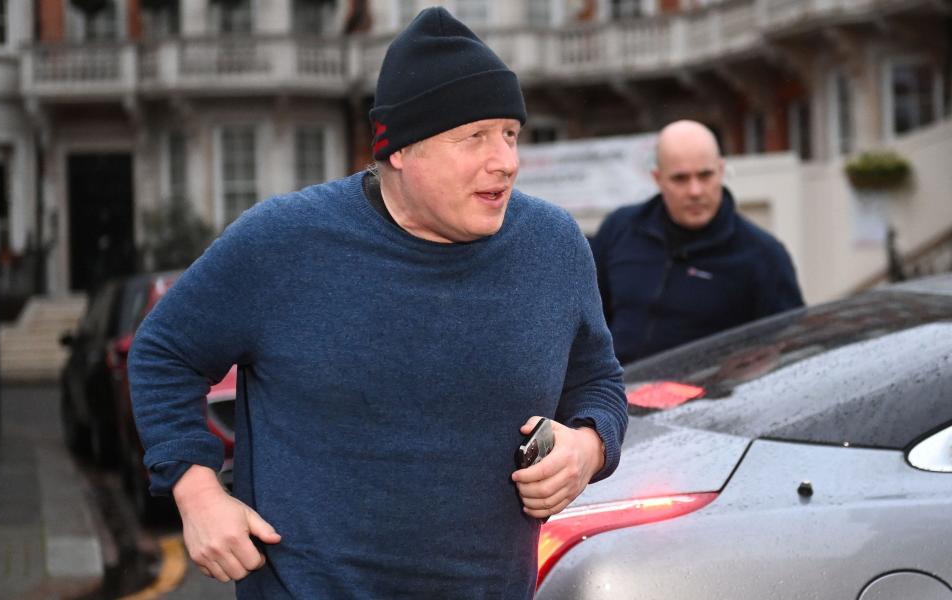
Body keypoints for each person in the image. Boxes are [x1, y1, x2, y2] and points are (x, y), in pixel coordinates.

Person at [128, 7, 628, 599]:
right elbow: (163, 353)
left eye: (510, 133)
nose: (507, 161)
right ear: (400, 150)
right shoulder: (284, 242)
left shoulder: (554, 245)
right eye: (474, 137)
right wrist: (197, 491)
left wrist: (588, 447)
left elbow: (598, 380)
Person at [590, 120, 804, 365]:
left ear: (721, 170)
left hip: (715, 401)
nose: (695, 190)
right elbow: (588, 323)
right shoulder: (620, 229)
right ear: (658, 178)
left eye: (705, 175)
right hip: (618, 397)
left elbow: (789, 350)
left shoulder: (764, 256)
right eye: (680, 179)